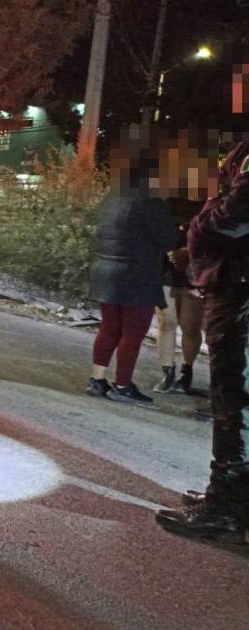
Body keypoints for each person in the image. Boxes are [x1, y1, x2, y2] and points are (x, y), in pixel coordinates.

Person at [156, 139, 249, 542]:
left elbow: (237, 213)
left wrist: (199, 228)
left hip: (239, 286)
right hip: (236, 282)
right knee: (235, 395)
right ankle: (232, 496)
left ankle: (227, 506)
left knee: (234, 396)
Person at [85, 135, 176, 406]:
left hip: (105, 271)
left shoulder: (112, 198)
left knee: (109, 328)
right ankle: (123, 385)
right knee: (133, 332)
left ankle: (97, 380)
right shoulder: (150, 202)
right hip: (137, 275)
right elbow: (168, 239)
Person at [154, 198, 205, 395]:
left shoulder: (208, 203)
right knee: (166, 321)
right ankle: (168, 371)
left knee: (190, 326)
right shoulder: (167, 200)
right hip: (167, 267)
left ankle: (186, 371)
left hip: (195, 269)